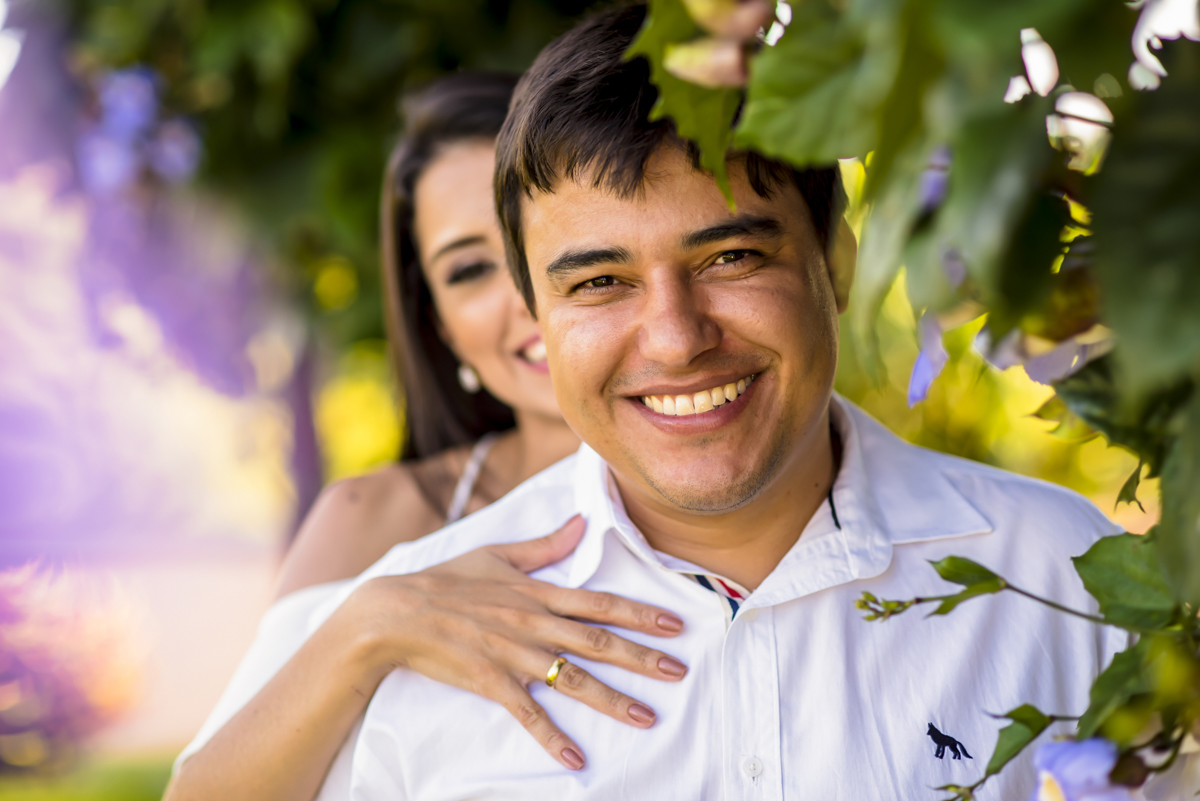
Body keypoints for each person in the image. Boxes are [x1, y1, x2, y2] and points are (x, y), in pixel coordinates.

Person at [315, 5, 1195, 799]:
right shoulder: (421, 648)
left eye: (731, 257)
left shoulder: (1072, 581)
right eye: (599, 280)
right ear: (537, 313)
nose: (674, 336)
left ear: (836, 263)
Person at [164, 73, 692, 801]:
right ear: (439, 324)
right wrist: (372, 622)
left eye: (547, 237)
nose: (530, 291)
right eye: (472, 268)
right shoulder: (379, 518)